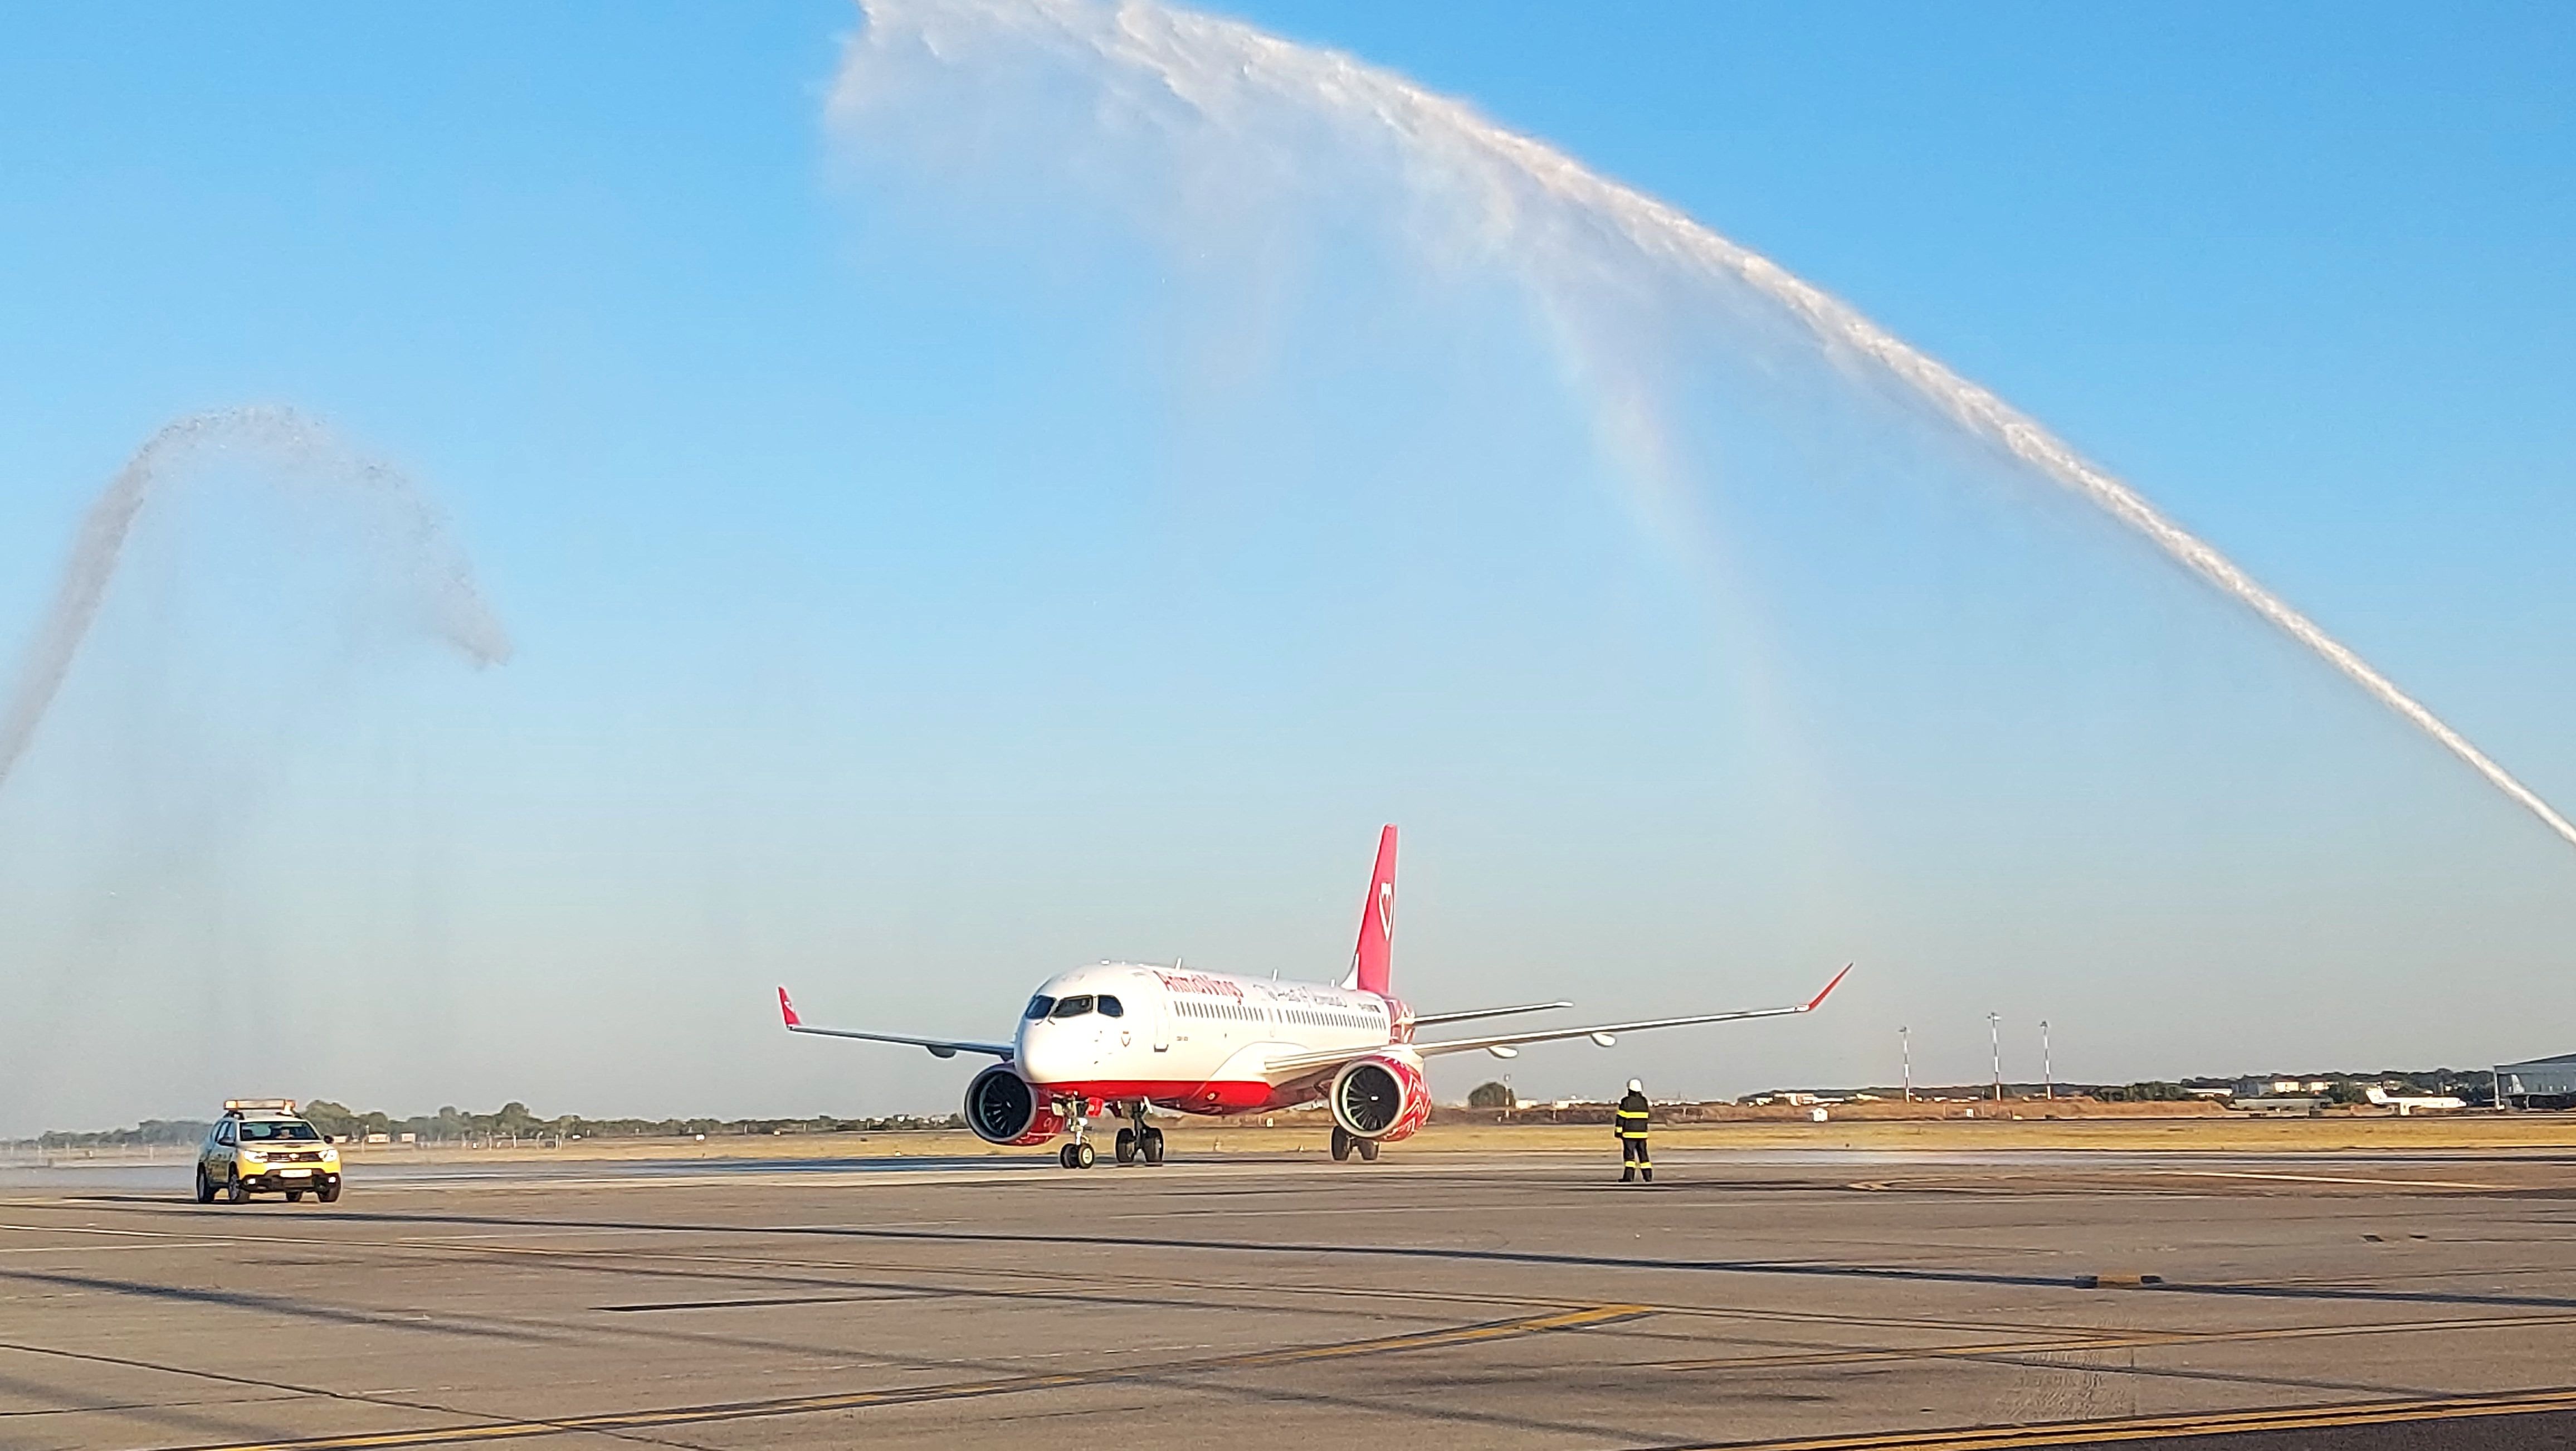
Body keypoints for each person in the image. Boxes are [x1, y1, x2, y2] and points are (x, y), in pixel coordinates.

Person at [1614, 1079, 1651, 1182]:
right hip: (1642, 1134)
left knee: (1629, 1156)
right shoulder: (1644, 1101)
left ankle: (1629, 1177)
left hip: (1629, 1134)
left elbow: (1621, 1118)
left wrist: (1618, 1131)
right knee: (1643, 1155)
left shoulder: (1626, 1102)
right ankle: (1648, 1176)